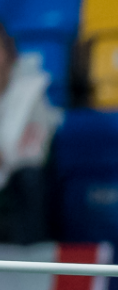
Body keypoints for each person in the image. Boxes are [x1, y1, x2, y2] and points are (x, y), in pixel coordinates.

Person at [0, 23, 60, 244]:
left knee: (29, 179)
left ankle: (28, 260)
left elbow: (33, 155)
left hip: (18, 186)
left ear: (9, 53)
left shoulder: (32, 93)